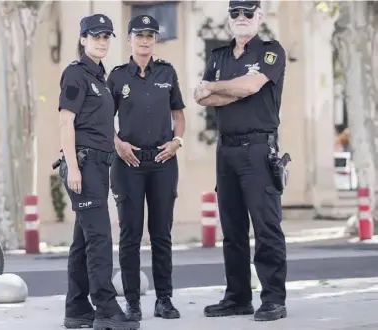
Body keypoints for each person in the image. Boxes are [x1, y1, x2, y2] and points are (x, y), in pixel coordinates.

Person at [194, 0, 288, 322]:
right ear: (230, 18)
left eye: (249, 12)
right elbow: (204, 99)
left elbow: (250, 86)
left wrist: (220, 88)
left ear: (259, 17)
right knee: (232, 230)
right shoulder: (218, 56)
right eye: (236, 13)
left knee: (266, 228)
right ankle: (237, 297)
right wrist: (230, 91)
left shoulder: (270, 52)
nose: (242, 18)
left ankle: (273, 298)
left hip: (258, 149)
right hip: (226, 150)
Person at [56, 14, 140, 330]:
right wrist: (74, 168)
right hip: (85, 164)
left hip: (98, 164)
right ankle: (105, 307)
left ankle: (76, 308)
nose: (102, 41)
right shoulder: (75, 74)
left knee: (84, 239)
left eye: (106, 36)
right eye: (95, 36)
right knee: (101, 238)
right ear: (83, 39)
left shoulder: (99, 78)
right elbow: (66, 122)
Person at [107, 14, 185, 321]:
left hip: (163, 162)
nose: (145, 40)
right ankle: (133, 303)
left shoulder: (167, 72)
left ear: (155, 39)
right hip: (129, 163)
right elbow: (102, 120)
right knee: (130, 235)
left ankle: (164, 299)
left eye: (150, 35)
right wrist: (117, 144)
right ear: (129, 39)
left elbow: (178, 113)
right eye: (139, 35)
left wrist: (178, 139)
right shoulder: (116, 76)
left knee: (162, 234)